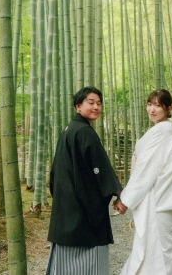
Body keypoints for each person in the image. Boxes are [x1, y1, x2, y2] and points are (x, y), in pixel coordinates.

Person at [114, 89, 172, 275]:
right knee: (168, 250)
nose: (152, 109)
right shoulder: (170, 138)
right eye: (149, 104)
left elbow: (143, 173)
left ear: (169, 108)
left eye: (157, 105)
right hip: (170, 204)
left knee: (154, 251)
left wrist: (125, 200)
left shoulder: (161, 136)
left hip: (156, 203)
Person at [46, 86, 123, 274]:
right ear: (78, 106)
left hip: (67, 207)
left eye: (98, 103)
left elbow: (55, 173)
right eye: (91, 102)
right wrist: (117, 194)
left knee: (65, 265)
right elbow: (100, 169)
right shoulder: (84, 132)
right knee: (89, 264)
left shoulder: (69, 129)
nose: (96, 107)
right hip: (82, 211)